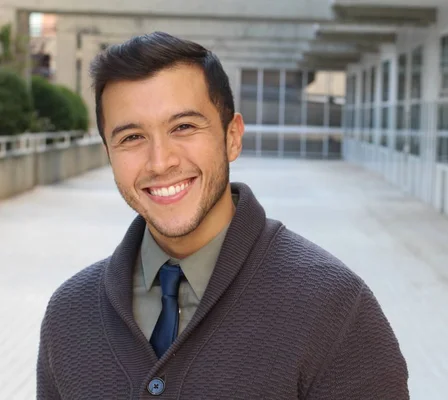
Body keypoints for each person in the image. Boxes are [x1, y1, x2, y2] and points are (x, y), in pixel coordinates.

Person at [36, 31, 409, 399]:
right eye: (131, 137)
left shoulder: (333, 309)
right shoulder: (69, 314)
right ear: (109, 153)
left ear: (232, 137)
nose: (160, 161)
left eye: (183, 127)